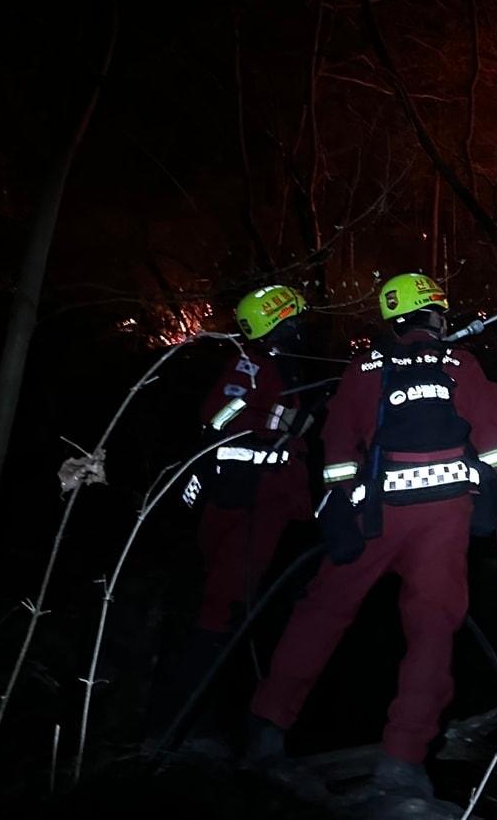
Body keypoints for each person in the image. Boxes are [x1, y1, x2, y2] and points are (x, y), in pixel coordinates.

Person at [245, 272, 497, 802]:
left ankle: (266, 730)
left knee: (322, 612)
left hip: (373, 515)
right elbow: (496, 444)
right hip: (444, 519)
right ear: (435, 313)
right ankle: (402, 765)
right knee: (431, 634)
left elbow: (337, 446)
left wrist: (338, 508)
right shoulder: (460, 364)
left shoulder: (364, 367)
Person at [148, 283, 321, 751]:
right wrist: (278, 423)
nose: (301, 329)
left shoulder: (275, 365)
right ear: (279, 325)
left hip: (266, 505)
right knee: (223, 611)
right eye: (294, 321)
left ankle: (217, 725)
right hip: (245, 502)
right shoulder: (252, 366)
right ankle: (190, 727)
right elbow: (219, 416)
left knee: (239, 610)